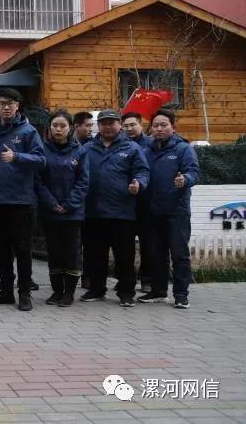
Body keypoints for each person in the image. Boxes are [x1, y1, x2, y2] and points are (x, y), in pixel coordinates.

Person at [0, 88, 45, 312]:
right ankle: (6, 291)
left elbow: (41, 160)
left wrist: (16, 156)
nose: (6, 107)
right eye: (2, 103)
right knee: (1, 248)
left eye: (11, 103)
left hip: (21, 201)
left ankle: (24, 292)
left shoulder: (28, 131)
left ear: (17, 106)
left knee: (22, 248)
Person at [81, 109, 150, 307]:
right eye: (103, 123)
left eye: (112, 123)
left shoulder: (132, 148)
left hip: (122, 212)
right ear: (98, 126)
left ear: (119, 125)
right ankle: (96, 289)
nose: (108, 127)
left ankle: (126, 292)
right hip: (93, 212)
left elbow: (143, 171)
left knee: (124, 256)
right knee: (95, 255)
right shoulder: (87, 148)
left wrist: (138, 183)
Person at [139, 110, 199, 309]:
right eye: (155, 125)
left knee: (179, 254)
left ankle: (181, 295)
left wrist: (185, 180)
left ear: (173, 127)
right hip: (152, 211)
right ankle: (158, 292)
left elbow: (193, 172)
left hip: (176, 211)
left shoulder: (183, 149)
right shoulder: (146, 150)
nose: (159, 129)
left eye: (163, 125)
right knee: (156, 254)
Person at [35, 110, 90, 308]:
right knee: (54, 252)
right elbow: (38, 181)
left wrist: (68, 205)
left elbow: (83, 181)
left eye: (63, 126)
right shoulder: (42, 150)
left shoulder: (80, 151)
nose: (58, 129)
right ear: (49, 127)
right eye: (55, 125)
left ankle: (69, 292)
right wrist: (52, 203)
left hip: (72, 213)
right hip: (50, 211)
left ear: (71, 128)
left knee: (71, 253)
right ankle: (57, 290)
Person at [122, 111, 153, 294]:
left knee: (147, 243)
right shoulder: (119, 144)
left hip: (145, 201)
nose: (129, 128)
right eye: (125, 126)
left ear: (141, 125)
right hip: (124, 202)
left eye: (133, 125)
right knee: (125, 245)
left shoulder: (151, 145)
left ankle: (146, 279)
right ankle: (126, 280)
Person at [74, 110, 94, 289]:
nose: (90, 129)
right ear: (76, 126)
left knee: (89, 242)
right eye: (87, 126)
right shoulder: (70, 146)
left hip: (90, 203)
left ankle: (88, 276)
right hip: (72, 204)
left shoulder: (93, 146)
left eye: (91, 125)